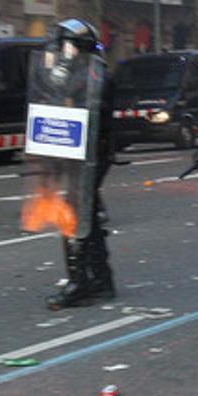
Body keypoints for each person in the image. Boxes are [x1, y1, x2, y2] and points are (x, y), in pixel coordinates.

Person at [44, 18, 117, 309]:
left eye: (66, 47)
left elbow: (92, 112)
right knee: (86, 216)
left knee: (75, 216)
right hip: (74, 153)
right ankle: (100, 279)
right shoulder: (79, 74)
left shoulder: (96, 76)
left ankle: (81, 282)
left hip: (89, 155)